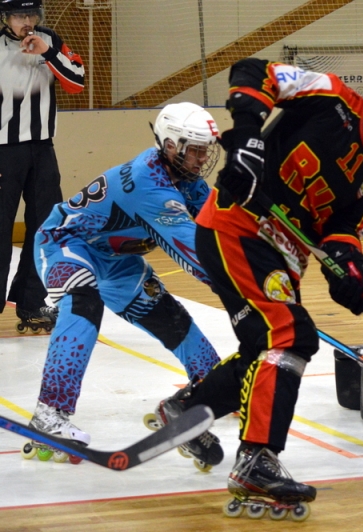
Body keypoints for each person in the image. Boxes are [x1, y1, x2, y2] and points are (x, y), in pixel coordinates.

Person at [148, 56, 363, 512]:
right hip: (237, 226)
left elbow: (344, 231)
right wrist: (247, 137)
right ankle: (257, 459)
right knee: (289, 334)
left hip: (282, 257)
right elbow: (253, 71)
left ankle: (186, 411)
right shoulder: (328, 94)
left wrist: (352, 271)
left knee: (262, 348)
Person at [24, 102, 223, 466]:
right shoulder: (149, 184)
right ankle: (49, 414)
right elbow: (197, 254)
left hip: (116, 260)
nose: (201, 158)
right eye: (194, 149)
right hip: (67, 243)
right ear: (170, 146)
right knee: (84, 303)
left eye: (204, 149)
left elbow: (221, 229)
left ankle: (205, 393)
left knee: (172, 319)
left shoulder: (187, 180)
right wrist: (252, 291)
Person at [0, 0, 84, 332]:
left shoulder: (51, 40)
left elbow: (76, 82)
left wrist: (49, 53)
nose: (28, 21)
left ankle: (31, 303)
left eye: (32, 14)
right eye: (20, 15)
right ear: (6, 18)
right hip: (4, 152)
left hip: (43, 151)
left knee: (43, 228)